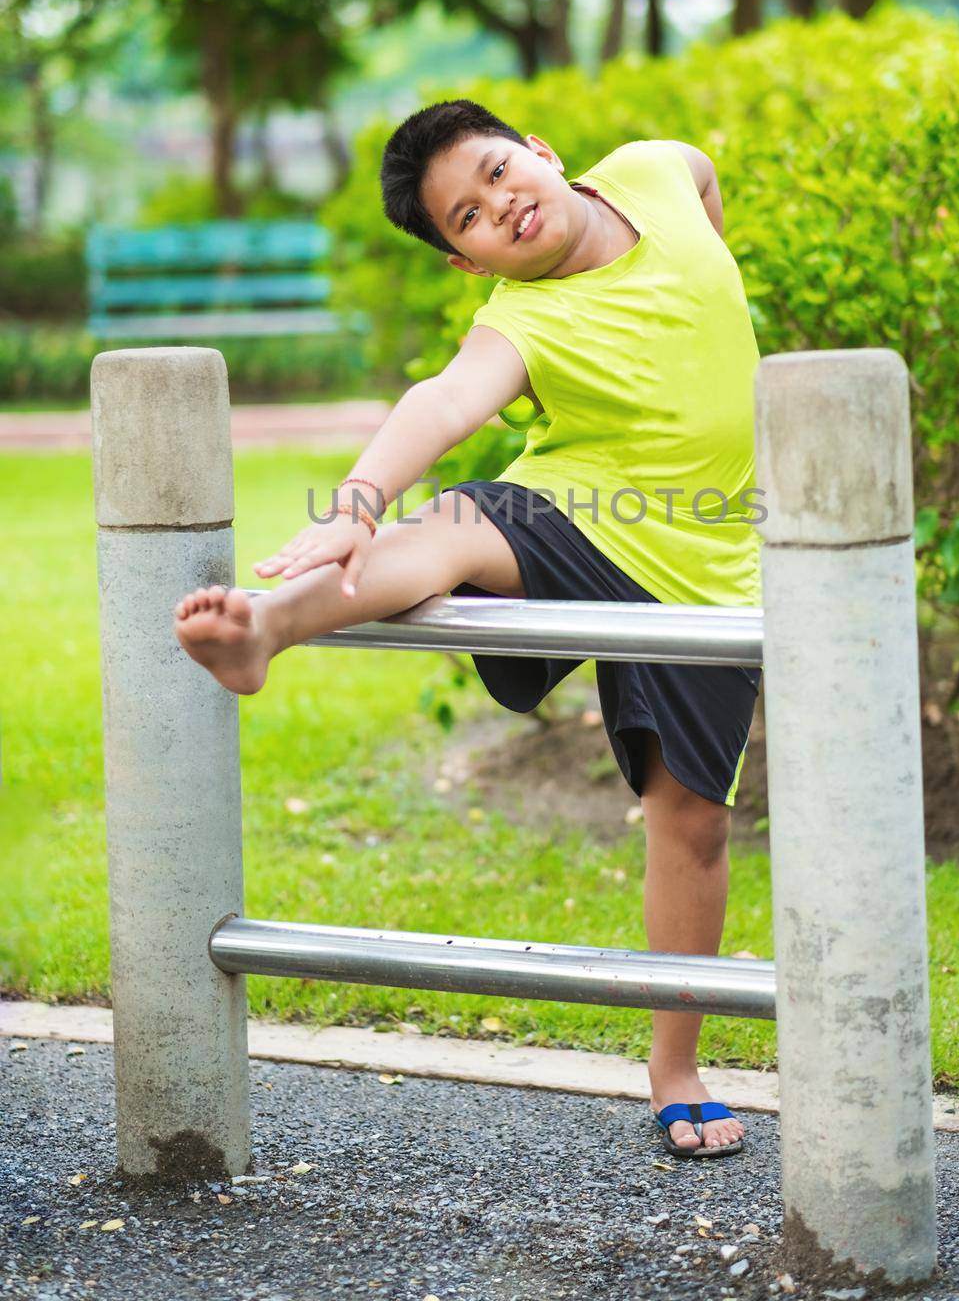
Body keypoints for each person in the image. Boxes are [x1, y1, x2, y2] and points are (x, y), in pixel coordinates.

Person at [173, 98, 764, 1162]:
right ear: (464, 261)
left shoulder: (656, 170)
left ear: (541, 148)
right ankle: (269, 627)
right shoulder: (517, 321)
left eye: (498, 174)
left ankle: (673, 1066)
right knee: (453, 521)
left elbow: (703, 178)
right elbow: (442, 402)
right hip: (583, 514)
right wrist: (355, 499)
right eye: (470, 217)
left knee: (691, 823)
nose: (502, 206)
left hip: (709, 565)